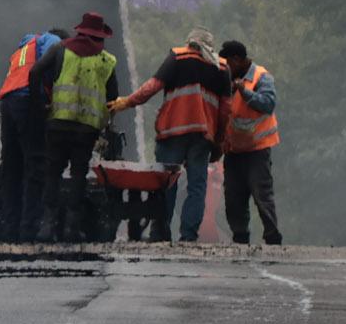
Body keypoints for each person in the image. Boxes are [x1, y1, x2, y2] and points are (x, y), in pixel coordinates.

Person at [113, 30, 232, 243]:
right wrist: (219, 141)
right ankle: (188, 236)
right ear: (210, 46)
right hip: (202, 136)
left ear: (190, 43)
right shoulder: (222, 68)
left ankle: (160, 232)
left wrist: (127, 102)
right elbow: (225, 110)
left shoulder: (178, 57)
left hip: (173, 132)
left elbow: (152, 87)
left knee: (166, 182)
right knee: (197, 186)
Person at [25, 11, 121, 241]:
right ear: (99, 36)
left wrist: (40, 105)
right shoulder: (107, 60)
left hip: (58, 122)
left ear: (80, 31)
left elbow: (35, 72)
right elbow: (113, 98)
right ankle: (71, 227)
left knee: (53, 172)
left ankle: (47, 226)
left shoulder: (60, 49)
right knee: (78, 174)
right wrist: (107, 125)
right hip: (86, 129)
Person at [0, 26, 64, 238]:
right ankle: (31, 226)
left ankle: (10, 225)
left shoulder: (24, 47)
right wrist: (40, 108)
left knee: (11, 166)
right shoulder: (54, 42)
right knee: (35, 164)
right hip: (27, 100)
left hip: (8, 103)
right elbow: (41, 74)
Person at [219, 40, 283, 246]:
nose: (225, 67)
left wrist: (244, 91)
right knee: (233, 197)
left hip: (258, 149)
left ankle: (272, 238)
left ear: (237, 60)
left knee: (261, 193)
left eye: (227, 62)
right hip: (234, 150)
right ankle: (240, 238)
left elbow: (268, 103)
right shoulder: (227, 80)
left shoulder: (261, 77)